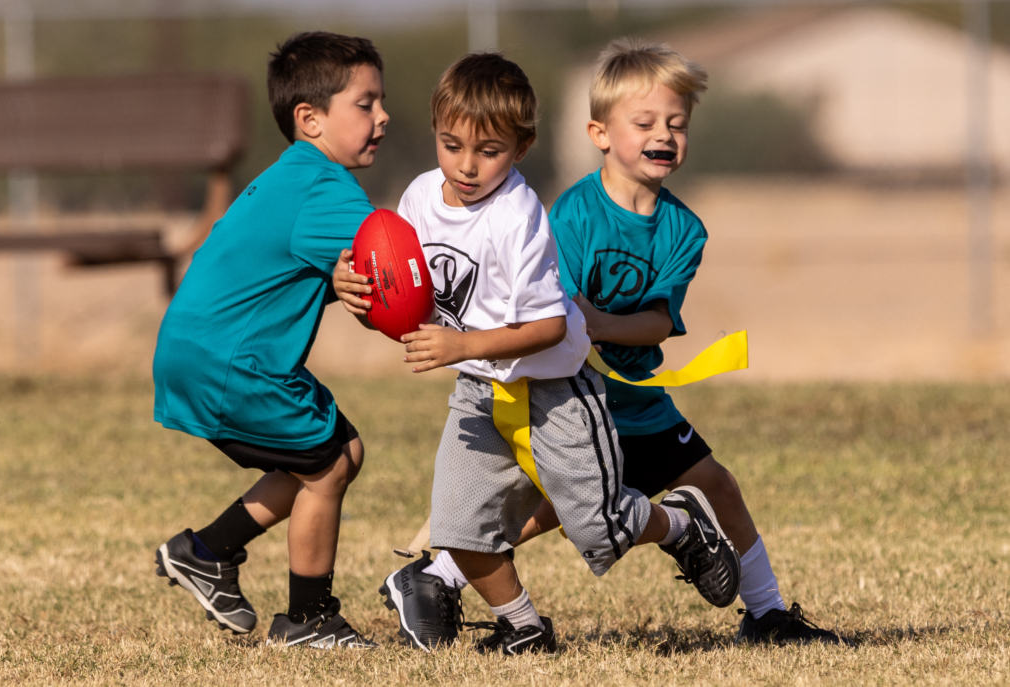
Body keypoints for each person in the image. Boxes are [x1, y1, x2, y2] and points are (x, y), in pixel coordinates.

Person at [387, 38, 841, 647]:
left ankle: (768, 613)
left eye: (676, 124)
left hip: (634, 400)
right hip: (566, 397)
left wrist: (596, 322)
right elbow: (550, 321)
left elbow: (656, 321)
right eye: (646, 121)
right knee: (556, 509)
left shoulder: (684, 228)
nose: (664, 135)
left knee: (711, 487)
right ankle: (443, 575)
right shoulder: (568, 215)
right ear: (600, 132)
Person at [333, 52, 740, 656]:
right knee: (457, 527)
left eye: (488, 151)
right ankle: (523, 625)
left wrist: (463, 344)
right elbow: (410, 303)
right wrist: (360, 298)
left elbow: (550, 326)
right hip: (479, 388)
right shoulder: (418, 199)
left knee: (597, 526)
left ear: (521, 149)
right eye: (452, 145)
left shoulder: (518, 216)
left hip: (556, 391)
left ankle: (679, 524)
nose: (467, 166)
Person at [151, 31, 388, 650]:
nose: (383, 117)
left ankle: (207, 550)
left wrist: (340, 280)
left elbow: (300, 267)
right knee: (329, 462)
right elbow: (399, 273)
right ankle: (308, 621)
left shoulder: (290, 175)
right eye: (365, 104)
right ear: (309, 119)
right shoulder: (327, 190)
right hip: (234, 363)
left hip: (201, 351)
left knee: (336, 453)